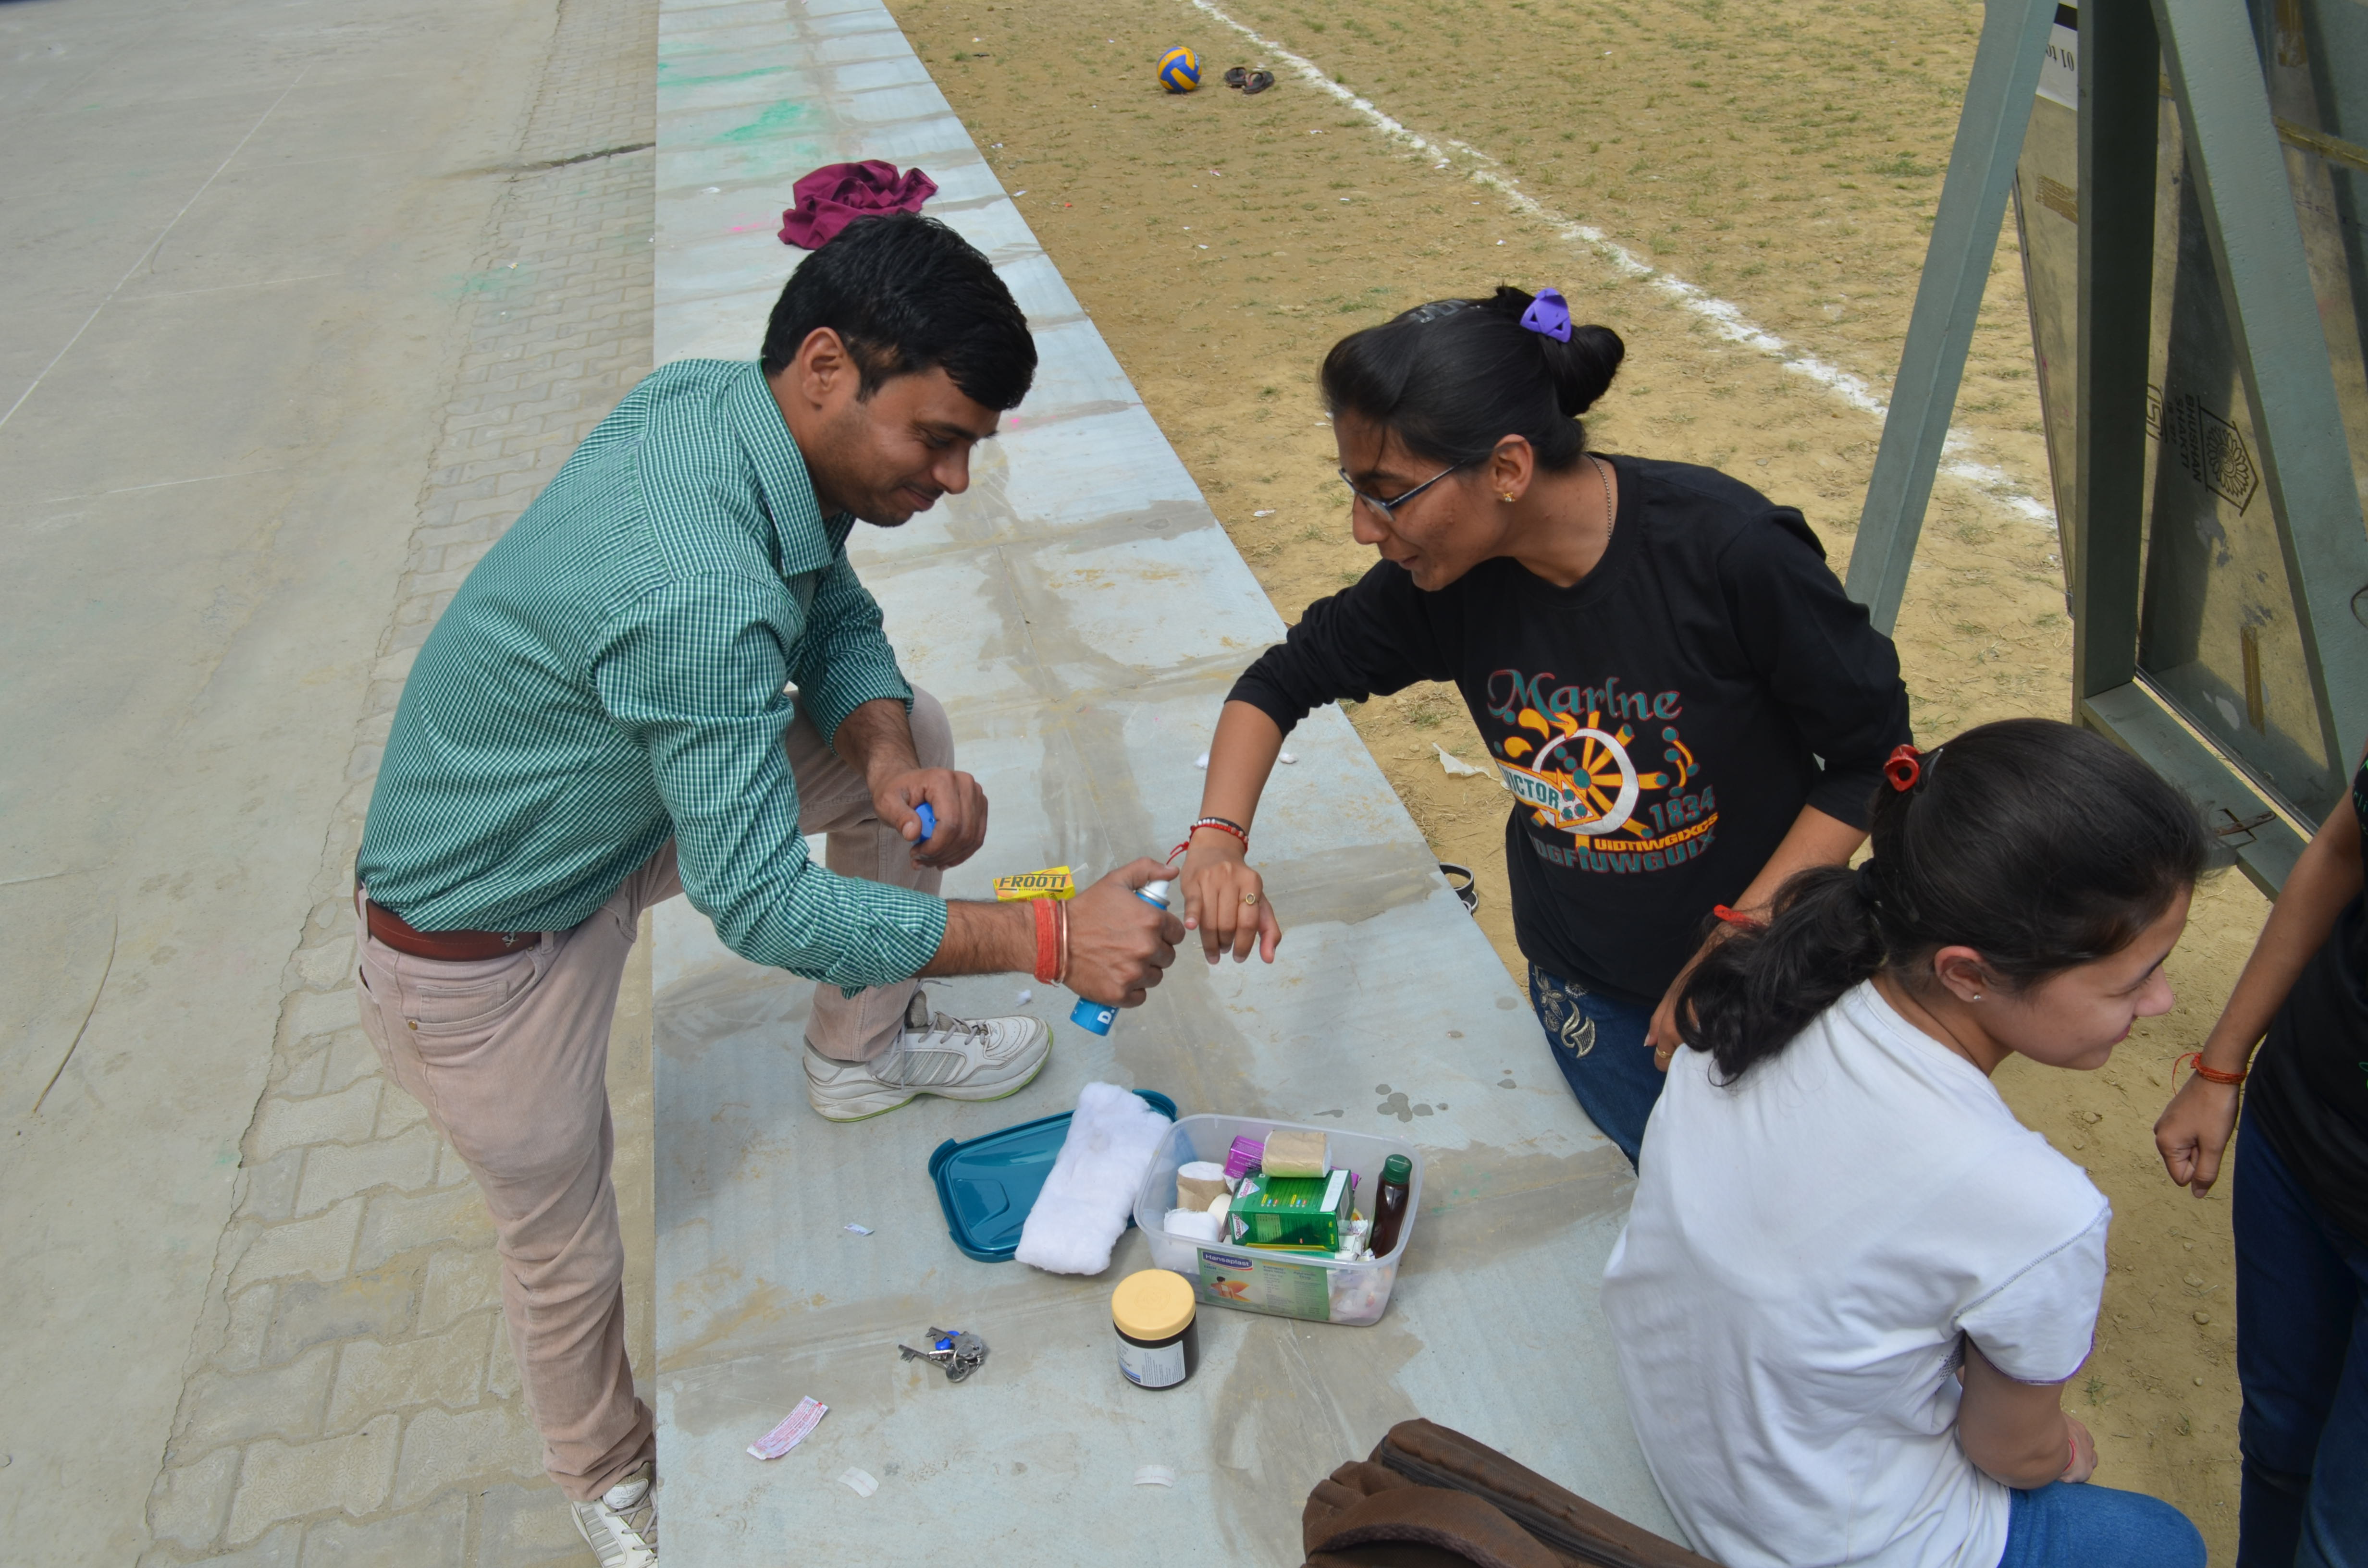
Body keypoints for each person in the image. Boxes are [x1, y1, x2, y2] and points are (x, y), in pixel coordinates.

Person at [350, 214, 1182, 1566]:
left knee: (912, 724)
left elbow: (829, 609)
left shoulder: (719, 411)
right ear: (826, 368)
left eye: (972, 446)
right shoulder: (693, 582)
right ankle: (607, 1474)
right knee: (563, 1244)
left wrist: (888, 759)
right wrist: (1049, 938)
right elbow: (765, 907)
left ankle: (862, 1051)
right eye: (939, 438)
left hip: (615, 814)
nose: (957, 478)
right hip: (478, 946)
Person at [1177, 285, 1912, 1162]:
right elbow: (1278, 681)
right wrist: (1217, 840)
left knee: (1784, 1187)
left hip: (1768, 964)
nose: (1363, 528)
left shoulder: (1728, 552)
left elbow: (1874, 759)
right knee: (1654, 1177)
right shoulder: (1444, 583)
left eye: (1389, 494)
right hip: (1586, 984)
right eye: (1353, 489)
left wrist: (1738, 940)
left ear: (1508, 468)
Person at [1601, 719, 2210, 1568]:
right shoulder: (2039, 1206)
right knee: (2163, 1544)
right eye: (2133, 979)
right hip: (1810, 1540)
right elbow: (2009, 1452)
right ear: (1968, 972)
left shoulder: (1764, 990)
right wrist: (2064, 1451)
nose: (2163, 1002)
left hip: (1691, 1442)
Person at [2155, 747, 2368, 1568]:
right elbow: (2344, 848)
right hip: (2301, 1124)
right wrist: (2222, 1064)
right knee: (2277, 1441)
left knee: (2342, 1540)